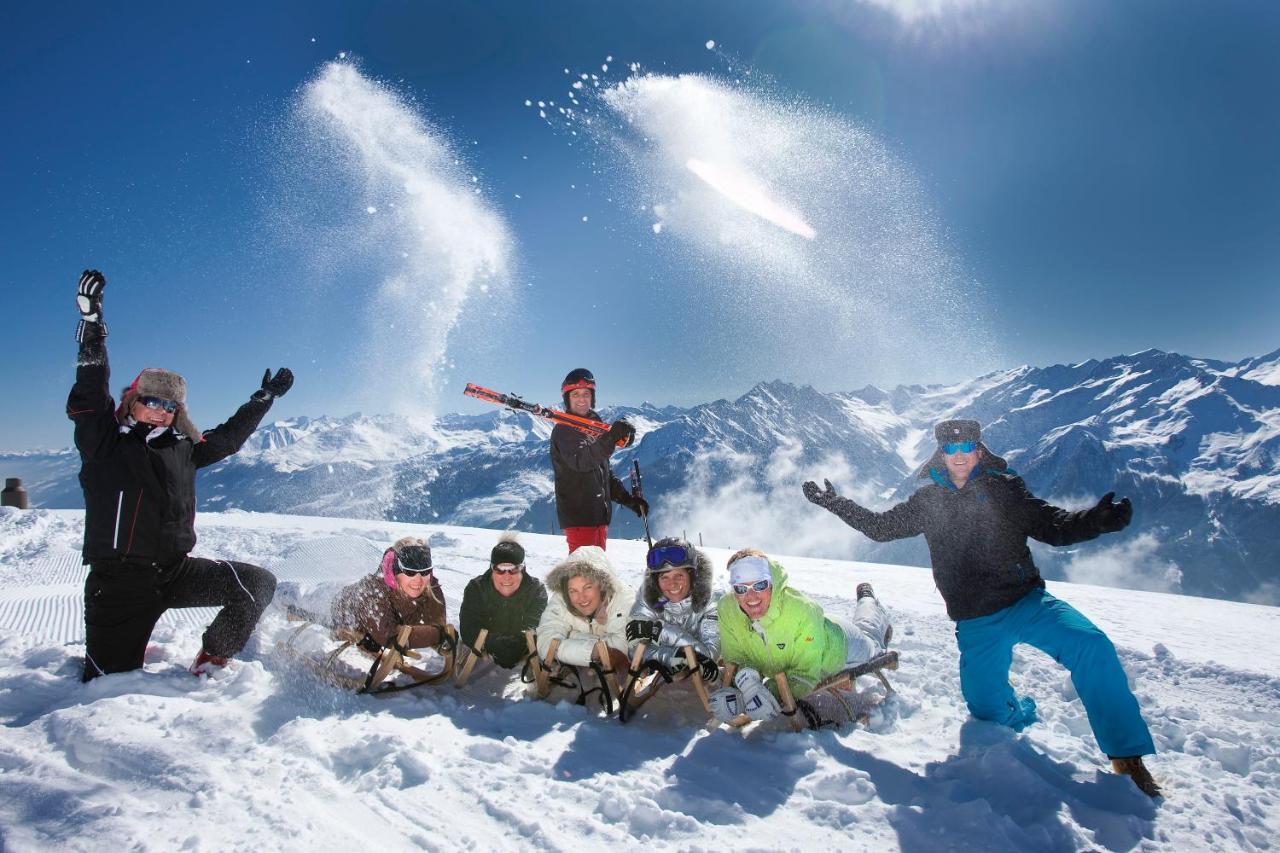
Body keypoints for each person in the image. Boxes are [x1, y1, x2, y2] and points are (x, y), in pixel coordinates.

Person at [803, 418, 1161, 797]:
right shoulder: (928, 502)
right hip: (977, 620)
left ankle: (1128, 758)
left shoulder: (1004, 490)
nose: (959, 456)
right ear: (940, 454)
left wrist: (1096, 522)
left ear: (978, 449)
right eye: (950, 449)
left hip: (1026, 600)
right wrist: (835, 503)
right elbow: (881, 527)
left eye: (966, 448)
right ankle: (1018, 710)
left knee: (1092, 646)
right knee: (986, 710)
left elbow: (1052, 525)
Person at [67, 269, 287, 681]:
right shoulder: (103, 444)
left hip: (175, 572)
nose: (161, 411)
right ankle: (120, 651)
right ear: (132, 401)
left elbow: (226, 439)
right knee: (105, 686)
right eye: (152, 401)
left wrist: (263, 399)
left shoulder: (180, 449)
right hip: (118, 586)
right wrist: (93, 327)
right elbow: (90, 392)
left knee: (256, 584)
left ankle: (213, 658)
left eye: (170, 408)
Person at [711, 549, 892, 725]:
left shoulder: (803, 610)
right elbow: (736, 658)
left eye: (759, 585)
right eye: (741, 588)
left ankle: (868, 600)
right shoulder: (728, 609)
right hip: (812, 631)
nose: (751, 596)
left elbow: (804, 675)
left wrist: (768, 694)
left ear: (772, 582)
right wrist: (745, 685)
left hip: (841, 646)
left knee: (871, 639)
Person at [550, 368, 647, 552]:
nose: (581, 399)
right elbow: (582, 461)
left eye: (586, 394)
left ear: (592, 398)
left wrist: (629, 500)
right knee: (585, 575)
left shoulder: (593, 428)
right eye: (576, 394)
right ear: (567, 398)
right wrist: (609, 439)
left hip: (597, 519)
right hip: (580, 519)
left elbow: (603, 474)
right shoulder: (564, 431)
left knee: (596, 575)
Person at [625, 537, 721, 684]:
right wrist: (673, 656)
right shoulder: (648, 598)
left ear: (692, 575)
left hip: (695, 670)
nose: (672, 584)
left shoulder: (709, 601)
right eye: (664, 577)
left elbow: (708, 656)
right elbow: (634, 648)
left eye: (679, 575)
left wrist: (658, 630)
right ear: (656, 581)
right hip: (670, 659)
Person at [331, 537, 451, 652]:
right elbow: (389, 636)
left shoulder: (430, 585)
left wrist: (440, 635)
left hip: (378, 622)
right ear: (394, 571)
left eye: (424, 571)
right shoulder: (373, 590)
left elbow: (437, 623)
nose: (418, 579)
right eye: (410, 572)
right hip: (340, 607)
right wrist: (438, 635)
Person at [536, 545, 635, 676]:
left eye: (587, 587)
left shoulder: (624, 598)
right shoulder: (561, 599)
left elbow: (623, 647)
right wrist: (594, 651)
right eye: (573, 590)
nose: (581, 597)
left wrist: (572, 636)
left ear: (602, 585)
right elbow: (545, 643)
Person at [458, 532, 548, 668]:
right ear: (492, 568)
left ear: (522, 569)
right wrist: (491, 642)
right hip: (488, 640)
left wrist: (521, 640)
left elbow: (537, 624)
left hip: (520, 640)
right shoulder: (477, 588)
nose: (507, 576)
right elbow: (468, 627)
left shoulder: (535, 590)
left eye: (513, 569)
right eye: (500, 569)